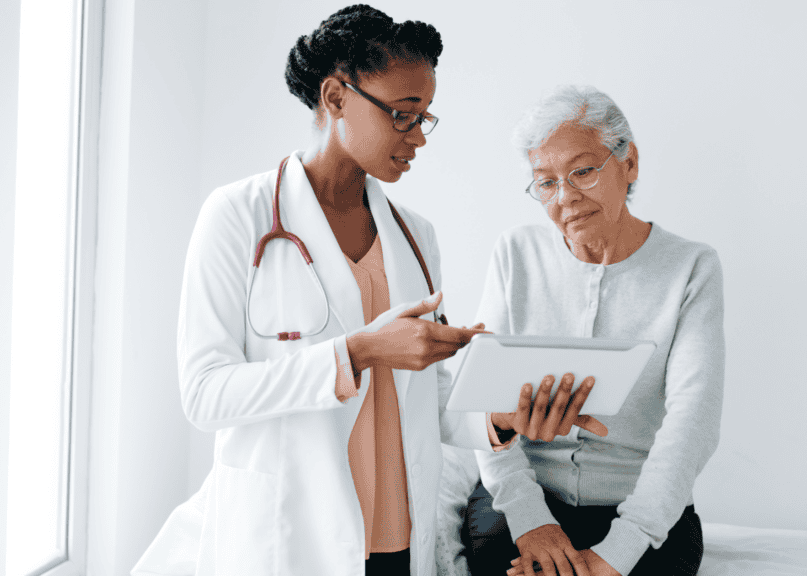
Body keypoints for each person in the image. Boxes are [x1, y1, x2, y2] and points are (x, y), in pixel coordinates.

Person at [131, 7, 604, 576]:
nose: (417, 139)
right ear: (335, 97)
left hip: (395, 538)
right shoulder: (239, 216)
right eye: (403, 116)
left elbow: (420, 402)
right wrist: (358, 352)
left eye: (425, 118)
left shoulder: (415, 235)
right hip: (289, 533)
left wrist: (503, 419)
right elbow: (206, 395)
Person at [461, 85, 725, 576]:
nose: (566, 198)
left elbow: (695, 419)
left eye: (582, 171)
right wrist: (529, 519)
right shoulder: (515, 254)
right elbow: (483, 404)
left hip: (642, 507)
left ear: (630, 164)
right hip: (524, 497)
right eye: (546, 182)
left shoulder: (691, 267)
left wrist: (620, 550)